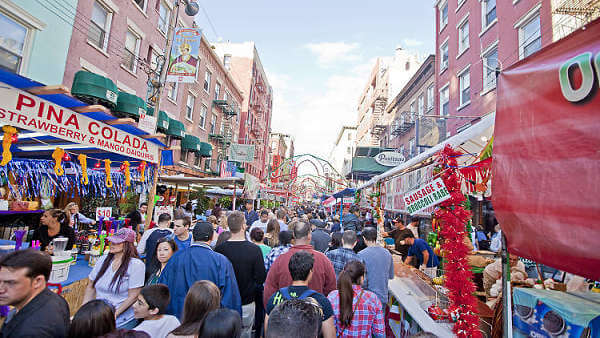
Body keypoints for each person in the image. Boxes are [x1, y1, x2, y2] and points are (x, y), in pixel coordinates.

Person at [158, 222, 241, 318]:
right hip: (209, 322)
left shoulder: (176, 258)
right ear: (212, 237)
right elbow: (230, 298)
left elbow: (162, 289)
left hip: (179, 319)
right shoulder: (221, 261)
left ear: (193, 236)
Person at [215, 211, 266, 338]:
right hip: (247, 301)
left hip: (224, 301)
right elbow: (261, 278)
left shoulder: (220, 249)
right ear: (244, 226)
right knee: (244, 333)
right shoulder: (254, 250)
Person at [84, 228, 145, 329]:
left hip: (122, 319)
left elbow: (133, 296)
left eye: (117, 242)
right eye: (111, 241)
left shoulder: (136, 265)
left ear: (127, 244)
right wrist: (84, 310)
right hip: (99, 315)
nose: (112, 244)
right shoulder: (103, 260)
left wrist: (115, 314)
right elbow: (91, 286)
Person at [0, 249, 70, 337]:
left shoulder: (30, 332)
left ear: (38, 281)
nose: (1, 289)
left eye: (11, 283)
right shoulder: (57, 300)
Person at [265, 252, 336, 338]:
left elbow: (267, 332)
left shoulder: (275, 298)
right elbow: (330, 335)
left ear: (290, 270)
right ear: (310, 272)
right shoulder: (321, 302)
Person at [264, 221, 336, 304]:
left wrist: (272, 311)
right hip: (315, 312)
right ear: (309, 235)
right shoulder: (323, 260)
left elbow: (269, 291)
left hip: (286, 313)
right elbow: (331, 290)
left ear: (293, 235)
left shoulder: (280, 260)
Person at [327, 261, 384, 338]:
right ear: (361, 278)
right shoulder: (373, 298)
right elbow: (379, 333)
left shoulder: (333, 296)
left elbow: (330, 329)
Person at [358, 227, 394, 307]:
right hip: (383, 296)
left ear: (364, 238)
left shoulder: (361, 254)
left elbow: (361, 281)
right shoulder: (387, 253)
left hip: (367, 298)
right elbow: (391, 276)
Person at [138, 213, 173, 280]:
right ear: (169, 222)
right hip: (168, 270)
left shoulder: (148, 232)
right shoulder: (173, 233)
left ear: (158, 221)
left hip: (150, 269)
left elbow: (140, 250)